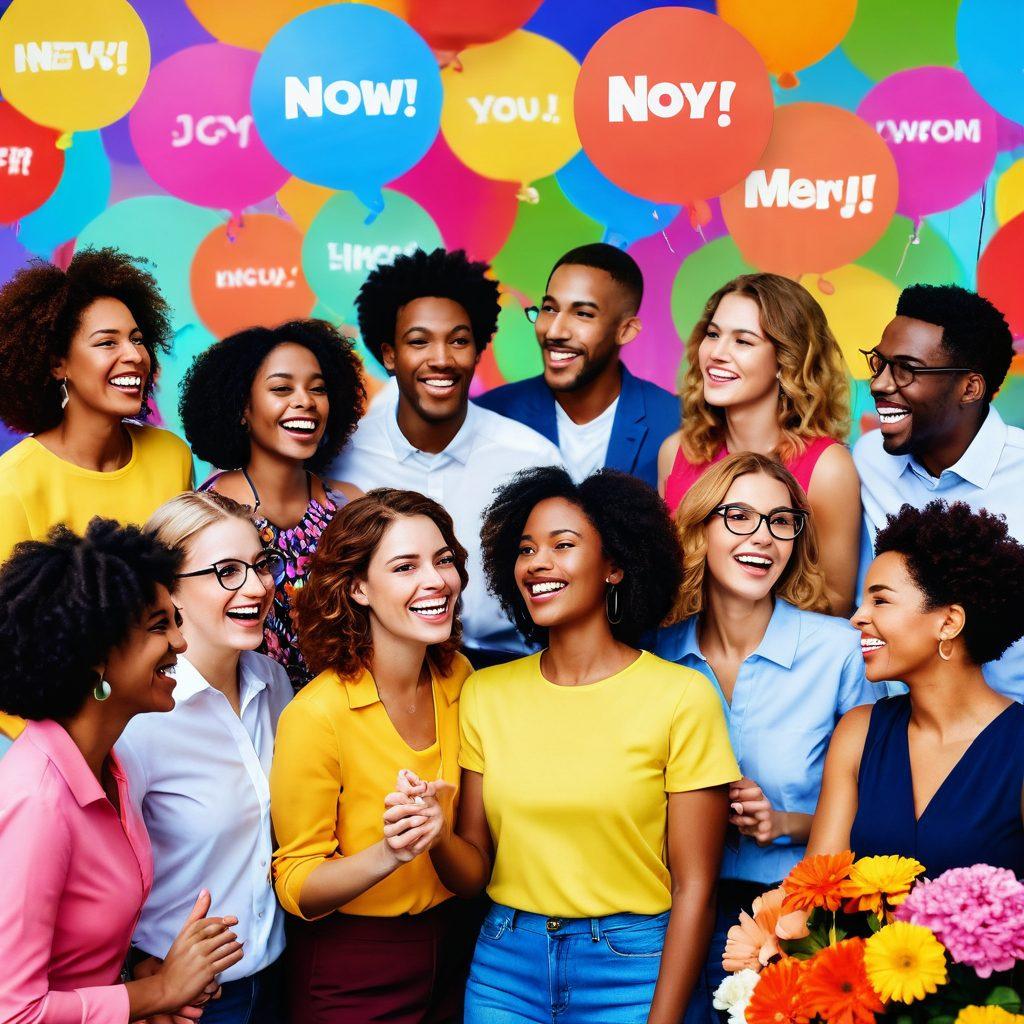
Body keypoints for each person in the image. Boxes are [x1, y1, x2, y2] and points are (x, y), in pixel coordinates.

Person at [419, 467, 740, 1024]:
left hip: (631, 969)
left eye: (562, 546)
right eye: (525, 550)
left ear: (615, 566)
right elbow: (472, 872)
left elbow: (695, 889)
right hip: (505, 968)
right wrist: (434, 834)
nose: (537, 564)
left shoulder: (681, 697)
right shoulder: (486, 693)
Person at [655, 452, 874, 1018]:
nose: (763, 537)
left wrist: (783, 822)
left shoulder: (840, 651)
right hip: (662, 916)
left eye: (781, 521)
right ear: (700, 525)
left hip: (795, 917)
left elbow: (879, 808)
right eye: (739, 516)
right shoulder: (655, 655)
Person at [0, 518, 244, 1023]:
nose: (180, 643)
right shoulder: (37, 803)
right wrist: (159, 994)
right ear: (96, 658)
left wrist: (144, 978)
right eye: (160, 626)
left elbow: (76, 963)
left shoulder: (111, 769)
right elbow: (14, 1011)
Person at [270, 489, 478, 1023]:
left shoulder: (460, 678)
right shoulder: (316, 714)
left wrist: (437, 837)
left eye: (444, 560)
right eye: (405, 566)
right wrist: (390, 852)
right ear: (357, 588)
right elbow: (297, 885)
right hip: (352, 969)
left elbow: (472, 871)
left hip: (457, 952)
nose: (435, 581)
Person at [327, 248, 563, 668]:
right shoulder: (340, 458)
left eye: (458, 340)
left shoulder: (531, 457)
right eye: (419, 341)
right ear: (389, 355)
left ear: (477, 351)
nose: (441, 358)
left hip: (510, 672)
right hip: (379, 677)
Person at [0, 248, 194, 741]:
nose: (133, 355)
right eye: (106, 342)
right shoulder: (15, 483)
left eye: (137, 339)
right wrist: (74, 758)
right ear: (57, 363)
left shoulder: (171, 457)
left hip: (172, 712)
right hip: (71, 738)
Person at [117, 492, 293, 1024]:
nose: (258, 587)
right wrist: (134, 977)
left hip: (282, 980)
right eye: (227, 572)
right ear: (170, 593)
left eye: (261, 566)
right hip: (191, 1006)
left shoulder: (275, 682)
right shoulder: (139, 720)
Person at [809, 500, 1024, 878]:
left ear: (949, 622)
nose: (859, 617)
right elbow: (813, 897)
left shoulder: (1018, 746)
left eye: (880, 600)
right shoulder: (858, 733)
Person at [853, 283, 1024, 700]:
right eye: (880, 363)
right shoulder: (868, 460)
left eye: (907, 369)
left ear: (970, 388)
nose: (879, 384)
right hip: (893, 729)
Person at [658, 274, 860, 614]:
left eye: (743, 341)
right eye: (713, 334)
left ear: (786, 360)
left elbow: (835, 604)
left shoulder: (828, 468)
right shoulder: (676, 451)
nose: (717, 354)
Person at [180, 318, 366, 690]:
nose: (305, 401)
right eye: (282, 388)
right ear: (242, 408)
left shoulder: (351, 507)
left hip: (344, 710)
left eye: (318, 389)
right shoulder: (206, 514)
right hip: (249, 714)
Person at [474, 243, 678, 488]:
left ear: (625, 331)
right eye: (549, 309)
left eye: (582, 313)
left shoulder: (677, 423)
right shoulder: (489, 416)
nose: (554, 331)